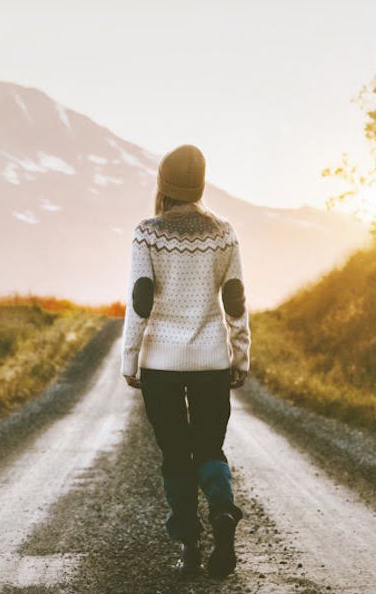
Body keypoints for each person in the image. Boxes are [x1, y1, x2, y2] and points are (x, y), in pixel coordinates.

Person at [120, 143, 251, 578]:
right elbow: (234, 301)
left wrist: (130, 358)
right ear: (199, 185)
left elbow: (141, 301)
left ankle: (190, 546)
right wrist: (240, 354)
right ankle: (222, 512)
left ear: (163, 185)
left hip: (161, 363)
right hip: (212, 360)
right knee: (210, 447)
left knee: (176, 455)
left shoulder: (148, 232)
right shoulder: (224, 233)